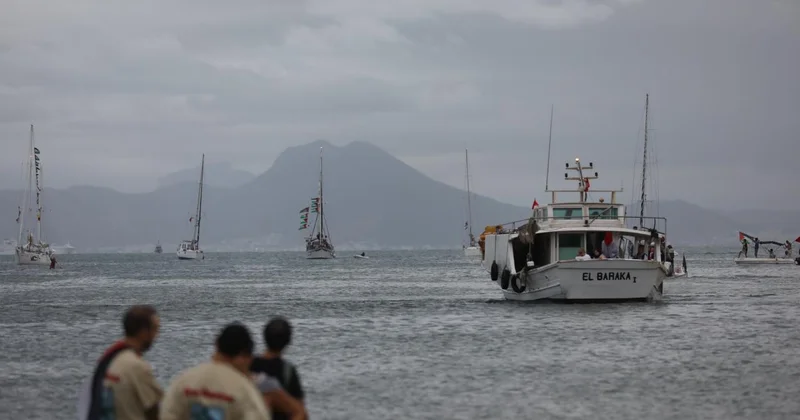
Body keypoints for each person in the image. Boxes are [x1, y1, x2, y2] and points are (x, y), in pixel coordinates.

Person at [160, 323, 274, 420]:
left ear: (217, 344)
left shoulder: (183, 381)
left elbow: (167, 414)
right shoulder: (245, 391)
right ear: (244, 356)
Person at [81, 305, 163, 420]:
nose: (157, 335)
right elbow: (157, 411)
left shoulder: (109, 360)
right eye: (155, 329)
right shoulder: (137, 367)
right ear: (143, 332)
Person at [251, 318, 307, 420]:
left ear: (264, 337)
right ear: (288, 341)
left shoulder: (249, 365)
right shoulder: (288, 371)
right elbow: (301, 411)